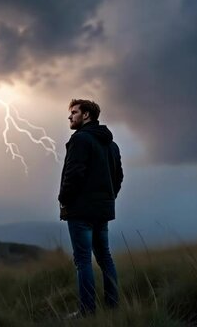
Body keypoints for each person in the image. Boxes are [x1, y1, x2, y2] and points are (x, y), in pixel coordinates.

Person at [58, 99, 124, 316]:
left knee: (83, 260)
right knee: (105, 258)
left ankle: (87, 311)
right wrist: (108, 198)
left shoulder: (80, 140)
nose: (70, 116)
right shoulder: (111, 144)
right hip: (102, 210)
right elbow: (118, 177)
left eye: (74, 112)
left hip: (81, 211)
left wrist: (64, 199)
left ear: (86, 115)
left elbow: (74, 173)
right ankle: (113, 307)